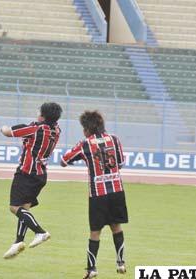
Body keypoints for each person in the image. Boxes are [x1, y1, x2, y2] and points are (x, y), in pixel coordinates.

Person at [60, 110, 128, 278]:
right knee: (116, 227)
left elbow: (64, 161)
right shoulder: (114, 139)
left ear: (86, 129)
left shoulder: (85, 144)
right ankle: (121, 263)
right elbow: (120, 163)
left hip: (98, 194)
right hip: (117, 190)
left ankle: (92, 269)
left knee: (95, 232)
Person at [0, 102, 62, 259]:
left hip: (26, 173)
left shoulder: (35, 128)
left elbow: (8, 132)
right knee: (24, 208)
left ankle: (40, 232)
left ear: (42, 115)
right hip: (41, 174)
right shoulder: (56, 130)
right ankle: (18, 242)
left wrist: (4, 127)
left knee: (14, 207)